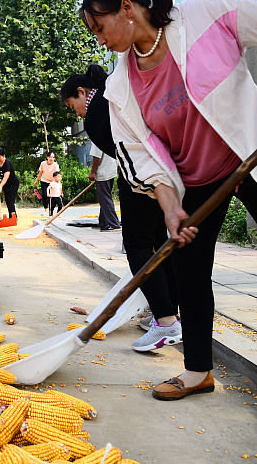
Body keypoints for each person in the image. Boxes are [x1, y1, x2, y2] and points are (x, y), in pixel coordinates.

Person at [80, 0, 257, 400]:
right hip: (197, 181)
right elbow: (146, 157)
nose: (99, 41)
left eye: (99, 28)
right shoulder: (120, 88)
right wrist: (171, 207)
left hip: (254, 156)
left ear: (127, 8)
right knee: (189, 273)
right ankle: (197, 372)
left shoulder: (206, 15)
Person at [62, 64, 181, 354]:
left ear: (81, 92)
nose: (75, 112)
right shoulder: (112, 88)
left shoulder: (95, 117)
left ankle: (165, 321)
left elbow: (122, 151)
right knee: (160, 244)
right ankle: (168, 311)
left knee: (137, 246)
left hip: (139, 175)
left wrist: (139, 183)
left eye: (72, 105)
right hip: (163, 166)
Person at [88, 143, 121, 232]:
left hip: (103, 173)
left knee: (105, 199)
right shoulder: (108, 136)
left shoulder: (96, 139)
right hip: (111, 171)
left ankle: (114, 224)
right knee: (104, 198)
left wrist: (93, 172)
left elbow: (96, 158)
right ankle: (103, 223)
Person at [0, 146, 18, 218]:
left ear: (3, 155)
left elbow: (6, 176)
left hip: (13, 184)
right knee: (7, 201)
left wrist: (1, 186)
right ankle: (12, 216)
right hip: (6, 184)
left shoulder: (7, 163)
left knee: (11, 201)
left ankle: (13, 217)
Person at [34, 151, 59, 216]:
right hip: (44, 180)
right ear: (47, 157)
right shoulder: (43, 163)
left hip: (52, 182)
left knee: (51, 196)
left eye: (53, 157)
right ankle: (46, 210)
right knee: (45, 195)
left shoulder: (55, 165)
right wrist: (36, 180)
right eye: (50, 157)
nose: (51, 159)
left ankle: (51, 211)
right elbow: (40, 172)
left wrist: (58, 184)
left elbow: (57, 175)